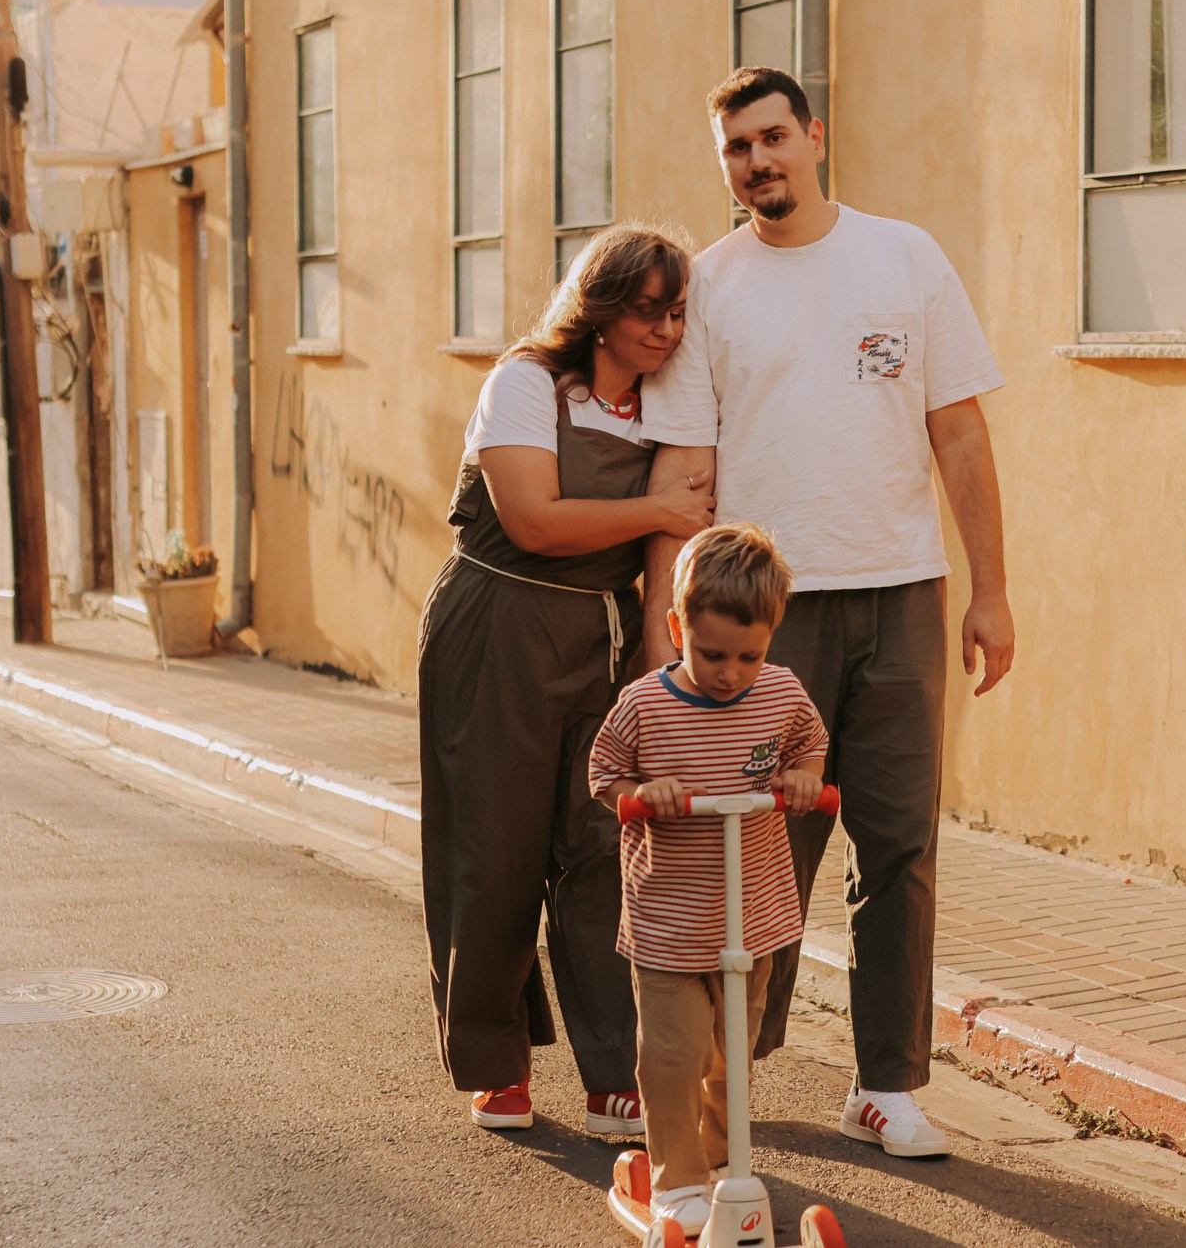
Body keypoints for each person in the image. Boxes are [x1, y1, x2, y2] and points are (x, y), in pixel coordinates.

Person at [639, 67, 1014, 1159]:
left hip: (899, 592)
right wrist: (668, 624)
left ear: (812, 135)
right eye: (735, 150)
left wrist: (988, 589)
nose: (757, 162)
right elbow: (688, 471)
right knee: (756, 853)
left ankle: (886, 1085)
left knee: (898, 845)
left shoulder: (905, 258)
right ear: (725, 166)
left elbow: (959, 434)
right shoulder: (708, 287)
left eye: (771, 138)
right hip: (760, 616)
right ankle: (732, 1079)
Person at [418, 223, 716, 1134]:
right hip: (496, 620)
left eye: (675, 312)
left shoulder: (668, 407)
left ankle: (611, 1067)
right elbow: (536, 518)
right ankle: (494, 1063)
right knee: (492, 849)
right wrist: (657, 506)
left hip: (602, 629)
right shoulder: (524, 384)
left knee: (600, 848)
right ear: (598, 308)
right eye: (644, 310)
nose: (665, 330)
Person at [589, 523, 829, 1235]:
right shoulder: (645, 705)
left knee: (733, 1058)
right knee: (673, 1055)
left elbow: (810, 741)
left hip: (752, 916)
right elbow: (604, 773)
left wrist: (804, 779)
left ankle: (727, 1164)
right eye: (711, 653)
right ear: (676, 628)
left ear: (771, 638)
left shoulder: (780, 692)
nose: (730, 672)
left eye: (749, 655)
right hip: (669, 922)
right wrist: (642, 790)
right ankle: (679, 1182)